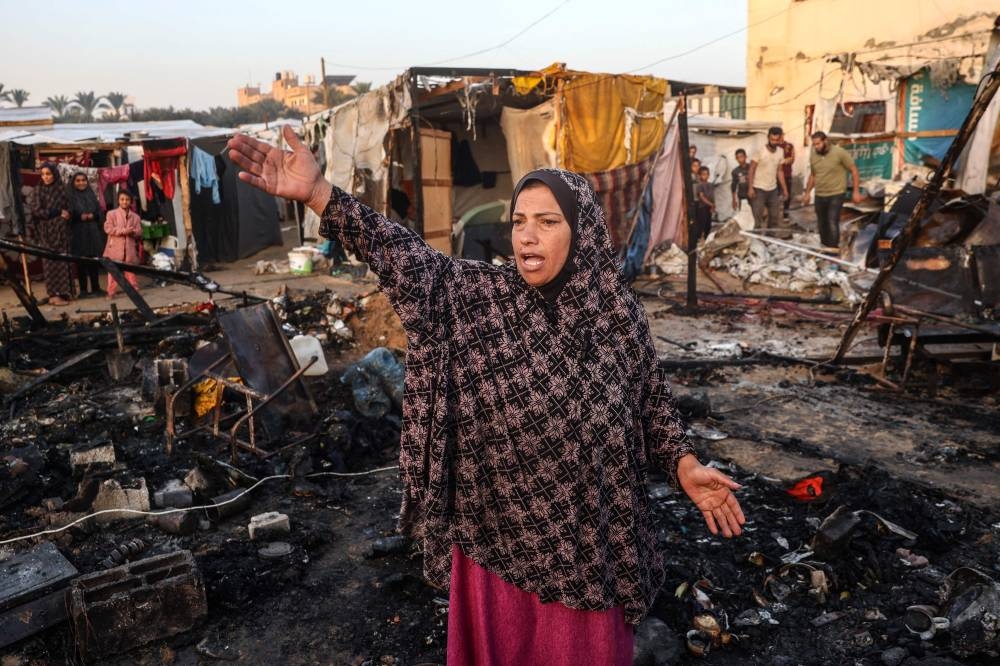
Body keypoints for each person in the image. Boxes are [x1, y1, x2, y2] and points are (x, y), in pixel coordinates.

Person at [228, 126, 746, 664]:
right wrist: (319, 195)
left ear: (584, 232)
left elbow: (650, 403)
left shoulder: (616, 315)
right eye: (519, 221)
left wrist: (683, 464)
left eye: (547, 222)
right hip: (496, 541)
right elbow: (404, 257)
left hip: (589, 547)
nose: (526, 236)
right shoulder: (478, 299)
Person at [801, 131, 863, 254]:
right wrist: (807, 193)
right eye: (814, 144)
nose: (816, 147)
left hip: (836, 193)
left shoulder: (839, 153)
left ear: (825, 141)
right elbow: (813, 175)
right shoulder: (813, 155)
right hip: (820, 194)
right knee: (821, 223)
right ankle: (825, 247)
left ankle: (834, 250)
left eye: (818, 144)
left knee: (832, 221)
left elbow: (854, 171)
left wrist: (856, 191)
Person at [28, 163, 74, 306]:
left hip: (62, 232)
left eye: (49, 174)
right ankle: (53, 295)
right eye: (43, 174)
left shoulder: (62, 189)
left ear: (54, 174)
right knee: (50, 263)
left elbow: (69, 206)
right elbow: (36, 211)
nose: (46, 177)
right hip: (47, 233)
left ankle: (64, 292)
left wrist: (68, 214)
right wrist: (57, 212)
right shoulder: (38, 191)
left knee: (63, 261)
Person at [67, 171, 104, 297]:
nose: (81, 183)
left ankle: (96, 288)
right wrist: (79, 217)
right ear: (73, 183)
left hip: (92, 231)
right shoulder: (70, 196)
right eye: (78, 180)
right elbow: (68, 215)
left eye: (83, 180)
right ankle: (83, 290)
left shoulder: (91, 194)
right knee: (81, 262)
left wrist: (94, 215)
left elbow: (99, 211)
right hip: (78, 232)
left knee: (94, 260)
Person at [748, 127, 789, 238]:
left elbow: (780, 171)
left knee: (774, 216)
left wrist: (785, 189)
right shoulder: (760, 151)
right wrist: (750, 188)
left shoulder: (780, 152)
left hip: (773, 189)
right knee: (757, 216)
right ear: (768, 138)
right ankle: (756, 239)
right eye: (772, 139)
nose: (774, 142)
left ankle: (771, 238)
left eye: (776, 140)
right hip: (758, 188)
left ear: (780, 139)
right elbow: (751, 169)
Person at [103, 191, 142, 298]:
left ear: (131, 202)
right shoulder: (111, 214)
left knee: (130, 270)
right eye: (122, 199)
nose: (125, 202)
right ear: (118, 201)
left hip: (129, 249)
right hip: (115, 248)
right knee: (113, 272)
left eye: (127, 200)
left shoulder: (135, 217)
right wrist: (123, 231)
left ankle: (134, 290)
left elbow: (139, 231)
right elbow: (108, 228)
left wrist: (133, 232)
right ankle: (111, 292)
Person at [778, 130, 795, 221]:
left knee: (787, 194)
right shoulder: (774, 146)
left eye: (782, 135)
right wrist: (784, 160)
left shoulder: (789, 146)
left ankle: (785, 215)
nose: (780, 137)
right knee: (774, 195)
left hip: (787, 173)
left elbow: (792, 159)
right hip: (775, 175)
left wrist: (784, 161)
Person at [695, 166, 715, 241]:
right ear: (699, 175)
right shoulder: (700, 185)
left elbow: (712, 196)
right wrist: (711, 204)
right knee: (701, 224)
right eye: (703, 174)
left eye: (707, 174)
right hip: (702, 207)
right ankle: (699, 238)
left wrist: (713, 206)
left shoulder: (710, 185)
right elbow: (701, 197)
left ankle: (707, 239)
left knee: (708, 224)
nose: (705, 176)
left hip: (709, 207)